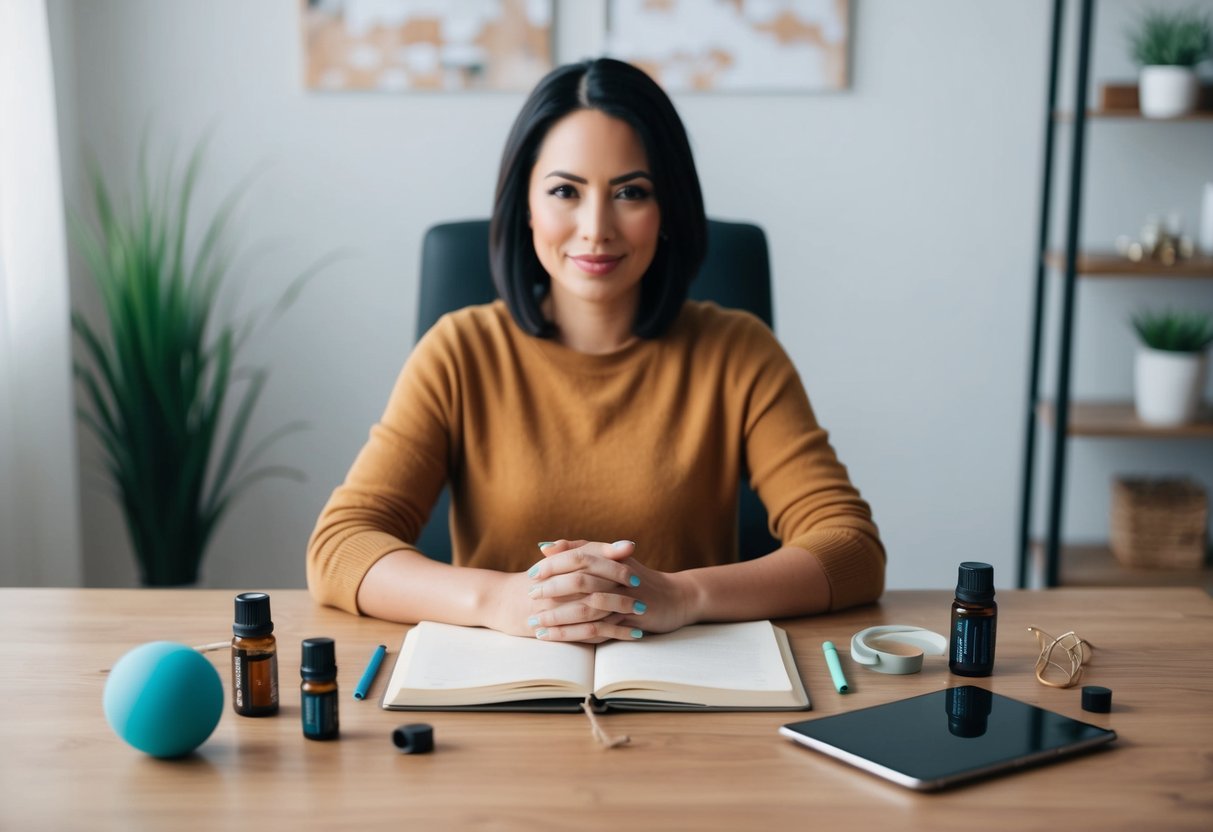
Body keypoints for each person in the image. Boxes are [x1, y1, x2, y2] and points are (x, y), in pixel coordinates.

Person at [307, 58, 884, 642]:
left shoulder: (738, 353)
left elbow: (850, 548)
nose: (596, 227)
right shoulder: (459, 351)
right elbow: (340, 547)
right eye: (565, 191)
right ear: (525, 205)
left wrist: (684, 595)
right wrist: (499, 598)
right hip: (502, 692)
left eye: (630, 192)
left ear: (667, 211)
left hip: (688, 695)